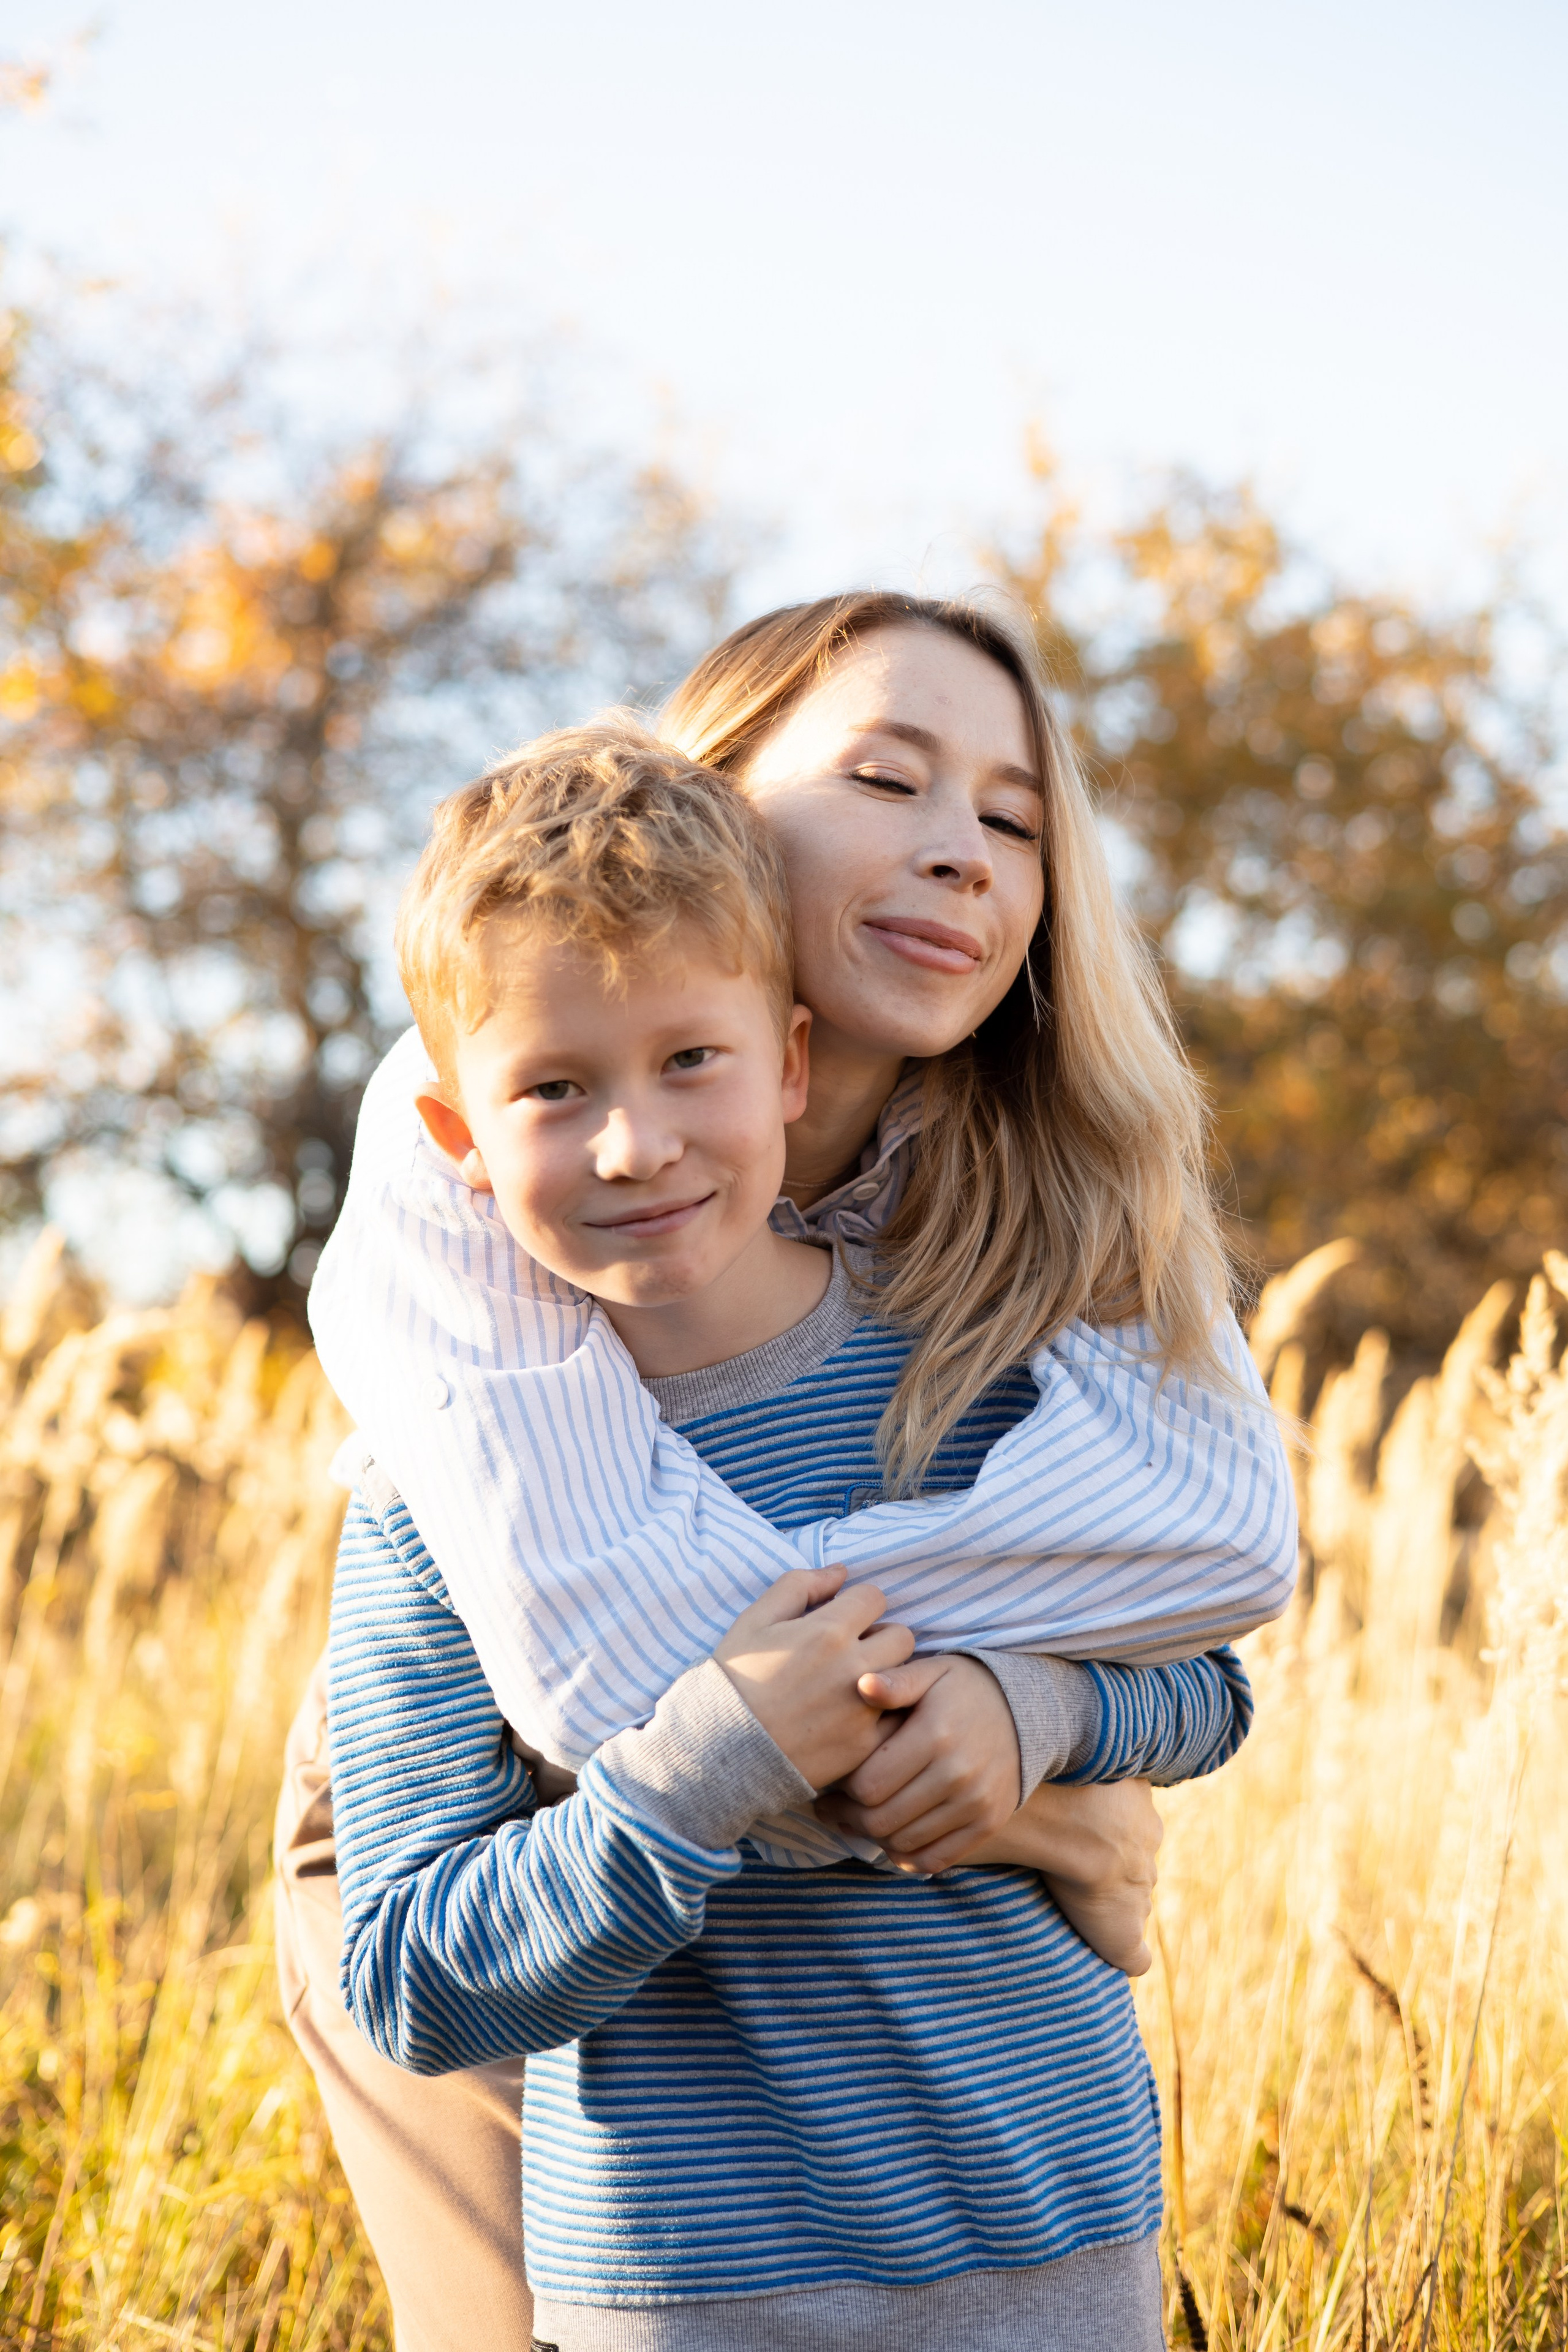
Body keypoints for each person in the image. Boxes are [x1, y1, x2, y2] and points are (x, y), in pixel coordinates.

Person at [276, 592, 1295, 2348]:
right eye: (888, 779)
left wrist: (1042, 1720)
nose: (960, 850)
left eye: (1015, 820)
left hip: (1035, 2229)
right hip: (655, 2150)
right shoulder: (469, 1196)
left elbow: (1184, 1625)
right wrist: (749, 1757)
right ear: (721, 791)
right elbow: (440, 1928)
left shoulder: (1019, 1239)